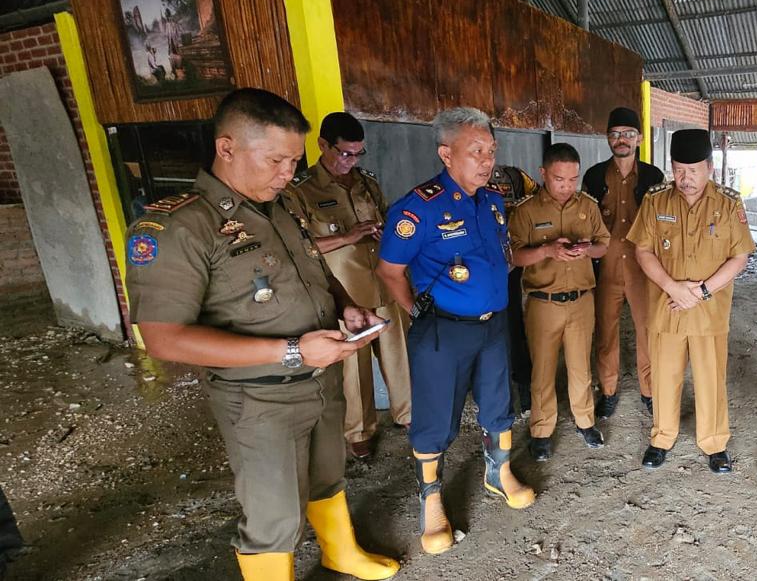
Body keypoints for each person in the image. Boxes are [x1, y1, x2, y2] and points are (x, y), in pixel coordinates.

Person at [125, 88, 398, 580]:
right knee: (274, 515)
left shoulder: (281, 205)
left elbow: (313, 267)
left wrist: (346, 305)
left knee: (327, 476)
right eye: (275, 159)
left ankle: (341, 553)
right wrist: (292, 350)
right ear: (227, 148)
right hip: (259, 397)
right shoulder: (181, 226)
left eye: (294, 161)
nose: (287, 173)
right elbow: (163, 338)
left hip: (319, 378)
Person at [375, 107, 535, 556]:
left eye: (491, 150)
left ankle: (497, 473)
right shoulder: (417, 208)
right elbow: (389, 271)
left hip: (493, 327)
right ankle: (431, 503)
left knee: (498, 403)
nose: (487, 160)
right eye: (476, 151)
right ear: (446, 154)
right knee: (433, 420)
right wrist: (416, 312)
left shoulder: (493, 202)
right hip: (442, 331)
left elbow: (501, 260)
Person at [628, 129, 755, 473]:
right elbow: (643, 250)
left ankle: (714, 443)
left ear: (710, 168)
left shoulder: (729, 204)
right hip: (666, 308)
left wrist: (699, 292)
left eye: (694, 170)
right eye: (679, 170)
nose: (685, 179)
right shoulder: (656, 201)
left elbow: (739, 258)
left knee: (710, 377)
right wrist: (672, 286)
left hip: (708, 311)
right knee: (664, 377)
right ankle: (662, 437)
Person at [287, 112, 411, 460]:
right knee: (353, 369)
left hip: (384, 283)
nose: (351, 161)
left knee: (400, 356)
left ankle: (410, 416)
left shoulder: (367, 183)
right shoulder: (300, 191)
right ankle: (360, 431)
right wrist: (347, 236)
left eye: (358, 154)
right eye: (344, 153)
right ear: (323, 145)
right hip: (345, 293)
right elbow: (300, 247)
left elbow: (387, 219)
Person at [508, 143, 610, 460]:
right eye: (559, 179)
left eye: (572, 179)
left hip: (581, 301)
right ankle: (541, 430)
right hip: (543, 303)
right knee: (543, 371)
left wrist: (586, 249)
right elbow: (512, 256)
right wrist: (548, 251)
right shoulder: (526, 211)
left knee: (581, 368)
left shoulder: (588, 207)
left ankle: (585, 422)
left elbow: (603, 245)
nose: (567, 187)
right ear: (543, 174)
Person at [583, 107, 666, 418]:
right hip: (604, 268)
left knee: (648, 331)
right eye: (615, 134)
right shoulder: (593, 176)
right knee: (605, 332)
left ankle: (649, 391)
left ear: (639, 138)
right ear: (608, 138)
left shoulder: (653, 177)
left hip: (643, 268)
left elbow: (661, 222)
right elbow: (586, 222)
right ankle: (608, 390)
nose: (621, 140)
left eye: (628, 134)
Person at [488, 165, 540, 414]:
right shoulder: (461, 182)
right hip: (478, 266)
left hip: (512, 261)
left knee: (514, 326)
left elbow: (539, 196)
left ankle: (523, 385)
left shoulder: (516, 177)